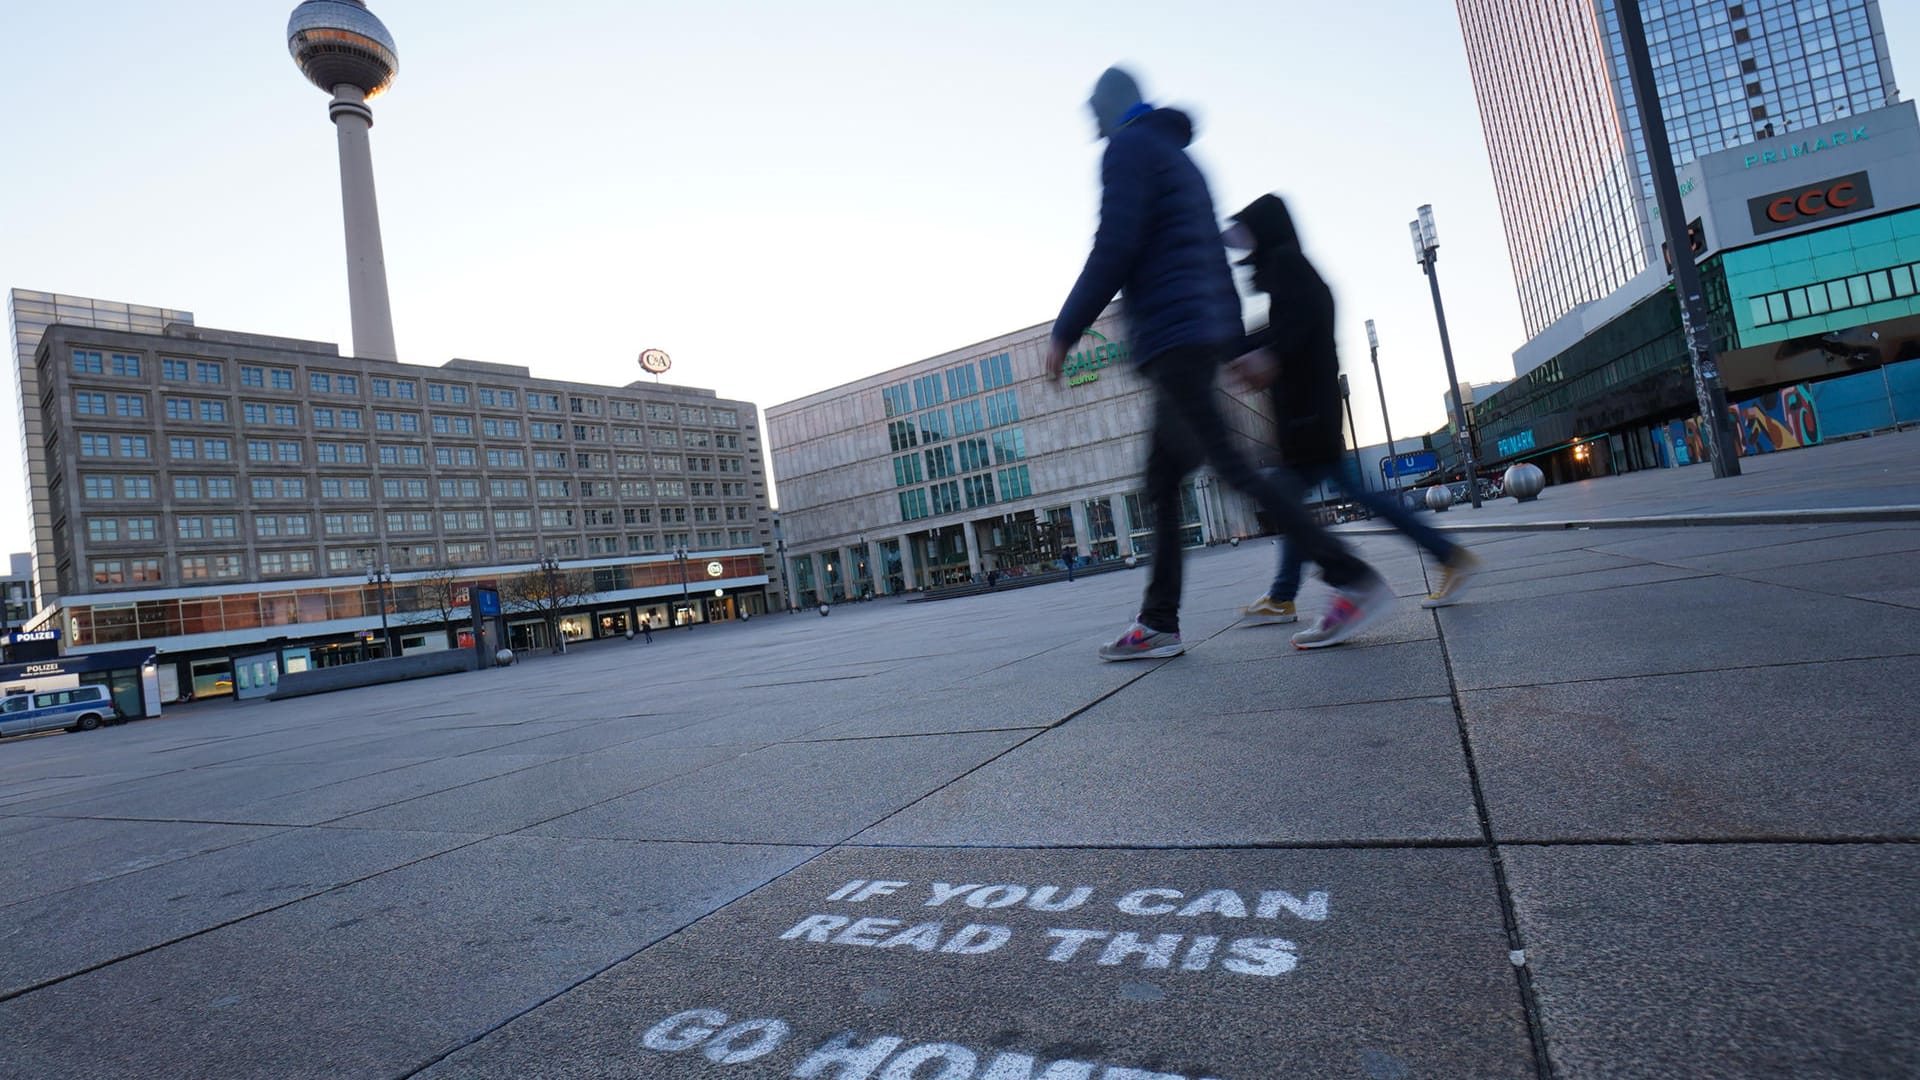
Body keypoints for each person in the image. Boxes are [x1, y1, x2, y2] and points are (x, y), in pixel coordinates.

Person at [1046, 66, 1392, 660]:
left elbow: (1115, 244)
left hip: (1173, 339)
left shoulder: (1128, 149)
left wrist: (1066, 328)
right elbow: (1212, 263)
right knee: (1162, 479)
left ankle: (1351, 578)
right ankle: (1158, 621)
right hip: (1190, 336)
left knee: (1233, 468)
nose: (1092, 125)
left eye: (1093, 112)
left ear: (1111, 108)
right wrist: (1232, 343)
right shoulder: (1181, 161)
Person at [1223, 195, 1482, 629]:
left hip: (1309, 412)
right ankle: (1283, 595)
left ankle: (1448, 556)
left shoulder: (1288, 269)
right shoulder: (1287, 270)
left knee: (1319, 497)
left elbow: (1300, 330)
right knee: (1293, 499)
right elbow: (1284, 331)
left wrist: (1266, 355)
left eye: (1246, 233)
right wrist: (1248, 349)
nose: (1241, 245)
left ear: (1264, 230)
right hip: (1306, 411)